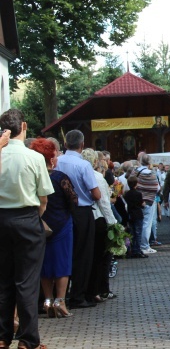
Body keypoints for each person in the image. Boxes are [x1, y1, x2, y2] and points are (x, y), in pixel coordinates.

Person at [0, 109, 55, 349]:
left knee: (3, 281)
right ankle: (27, 339)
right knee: (27, 282)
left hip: (1, 219)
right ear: (24, 126)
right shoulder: (33, 158)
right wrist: (37, 216)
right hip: (27, 218)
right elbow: (43, 197)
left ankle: (2, 337)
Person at [29, 139, 77, 319]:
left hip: (39, 223)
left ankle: (47, 299)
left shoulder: (32, 176)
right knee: (62, 263)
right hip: (62, 222)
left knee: (44, 263)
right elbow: (73, 200)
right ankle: (60, 300)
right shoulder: (59, 177)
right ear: (51, 157)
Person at [55, 129, 101, 309]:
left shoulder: (57, 161)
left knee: (65, 252)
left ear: (65, 144)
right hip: (82, 211)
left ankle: (62, 294)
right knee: (83, 254)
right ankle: (78, 296)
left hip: (62, 210)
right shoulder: (83, 165)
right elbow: (96, 193)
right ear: (82, 145)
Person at [81, 149, 118, 304]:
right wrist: (113, 223)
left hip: (82, 218)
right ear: (95, 162)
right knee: (100, 258)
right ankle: (96, 290)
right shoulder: (96, 177)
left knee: (85, 257)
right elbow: (104, 202)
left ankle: (85, 290)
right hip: (98, 219)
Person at [135, 154, 160, 255]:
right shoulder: (152, 174)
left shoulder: (136, 172)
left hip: (137, 201)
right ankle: (145, 246)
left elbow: (131, 183)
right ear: (149, 162)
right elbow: (157, 188)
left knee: (137, 224)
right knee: (146, 224)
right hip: (149, 201)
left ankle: (137, 245)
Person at [124, 176, 146, 259]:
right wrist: (143, 204)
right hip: (138, 214)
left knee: (132, 233)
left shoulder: (127, 194)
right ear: (136, 184)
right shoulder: (138, 193)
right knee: (138, 233)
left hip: (130, 214)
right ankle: (137, 250)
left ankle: (132, 249)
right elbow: (141, 204)